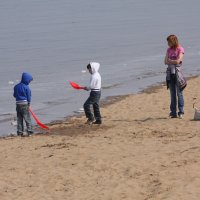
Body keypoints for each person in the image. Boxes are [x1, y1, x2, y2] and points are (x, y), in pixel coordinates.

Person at [164, 35, 186, 119]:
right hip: (170, 74)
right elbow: (165, 61)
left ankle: (181, 112)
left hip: (178, 74)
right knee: (172, 94)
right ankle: (173, 112)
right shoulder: (168, 50)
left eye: (169, 42)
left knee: (179, 93)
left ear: (173, 41)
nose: (168, 44)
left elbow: (178, 61)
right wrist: (172, 61)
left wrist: (171, 61)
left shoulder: (180, 49)